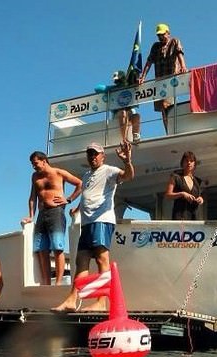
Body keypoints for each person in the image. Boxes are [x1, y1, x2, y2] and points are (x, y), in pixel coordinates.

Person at [52, 141, 134, 312]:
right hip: (87, 223)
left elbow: (128, 176)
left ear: (102, 156)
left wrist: (127, 161)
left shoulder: (109, 170)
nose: (92, 157)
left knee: (101, 259)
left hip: (102, 220)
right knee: (81, 260)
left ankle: (102, 302)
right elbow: (88, 195)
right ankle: (71, 300)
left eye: (95, 153)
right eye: (90, 153)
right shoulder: (86, 175)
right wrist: (77, 207)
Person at [21, 151, 82, 285]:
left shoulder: (58, 173)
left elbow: (80, 184)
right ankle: (46, 282)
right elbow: (33, 197)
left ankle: (59, 282)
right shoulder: (35, 177)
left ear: (44, 161)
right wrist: (31, 216)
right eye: (32, 164)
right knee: (41, 249)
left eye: (35, 163)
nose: (34, 166)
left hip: (56, 212)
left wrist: (69, 199)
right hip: (42, 215)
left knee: (57, 247)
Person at [138, 23, 187, 133]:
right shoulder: (155, 46)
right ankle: (168, 131)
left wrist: (183, 67)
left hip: (171, 80)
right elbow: (149, 62)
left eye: (162, 34)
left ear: (168, 33)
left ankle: (172, 130)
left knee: (167, 105)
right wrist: (143, 77)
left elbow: (180, 54)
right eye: (158, 35)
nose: (160, 37)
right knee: (163, 109)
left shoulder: (175, 41)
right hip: (160, 82)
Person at [97, 70, 141, 144]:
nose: (118, 82)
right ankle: (125, 139)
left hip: (129, 113)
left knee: (137, 116)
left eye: (119, 80)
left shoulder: (130, 87)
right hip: (118, 114)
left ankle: (136, 137)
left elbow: (138, 87)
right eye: (117, 81)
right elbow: (97, 88)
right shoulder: (113, 88)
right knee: (123, 112)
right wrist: (108, 89)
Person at [164, 151, 204, 220]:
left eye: (191, 161)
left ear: (194, 164)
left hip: (194, 218)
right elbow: (167, 195)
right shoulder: (175, 177)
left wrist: (201, 199)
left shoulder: (197, 181)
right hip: (179, 217)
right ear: (182, 163)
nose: (189, 163)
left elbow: (199, 196)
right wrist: (182, 194)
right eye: (186, 161)